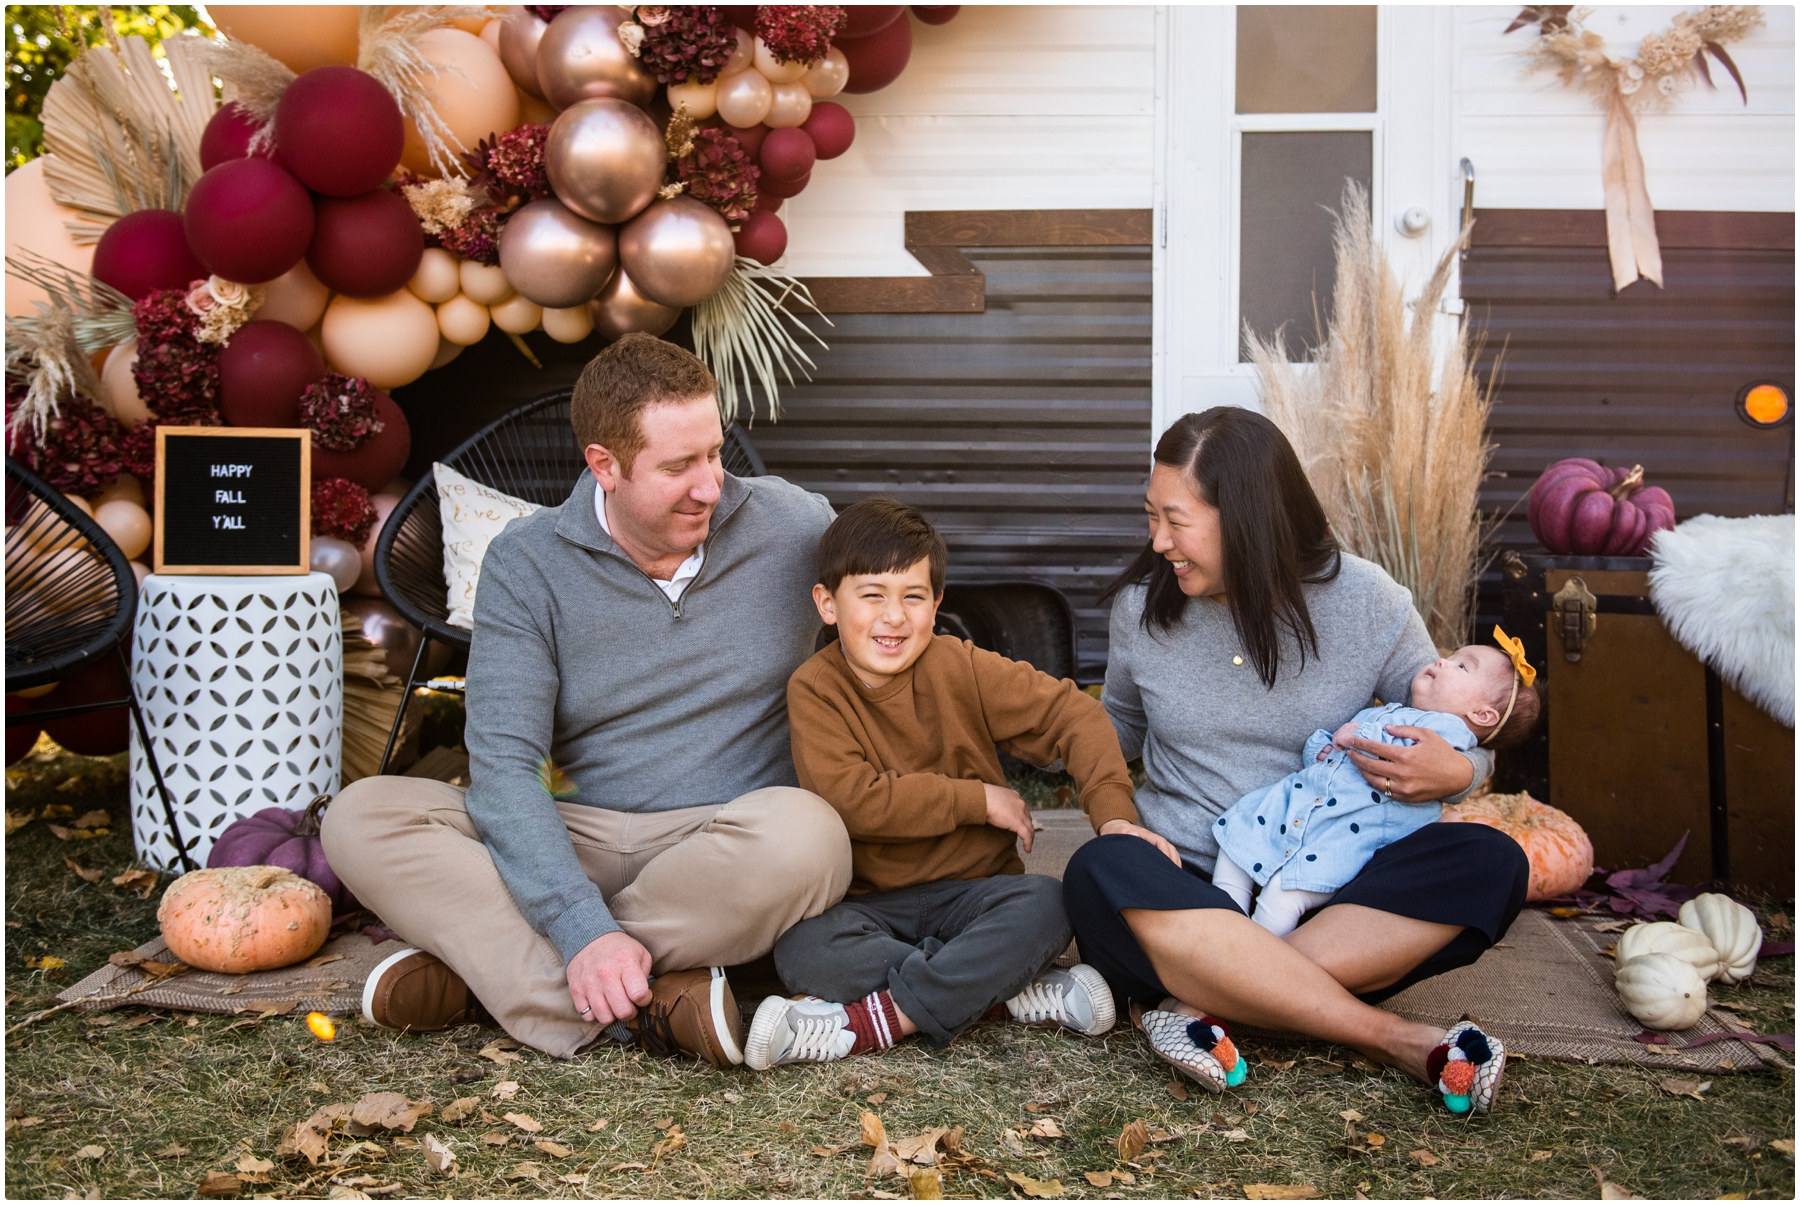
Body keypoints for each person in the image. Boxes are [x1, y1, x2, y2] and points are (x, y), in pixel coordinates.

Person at [321, 335, 852, 1065]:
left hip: (726, 837)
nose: (710, 485)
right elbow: (506, 763)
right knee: (361, 816)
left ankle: (496, 977)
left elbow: (897, 629)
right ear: (604, 465)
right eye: (677, 466)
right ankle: (646, 996)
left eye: (713, 452)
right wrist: (579, 921)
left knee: (812, 835)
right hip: (572, 831)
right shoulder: (527, 560)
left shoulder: (797, 526)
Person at [1061, 407, 1529, 1114]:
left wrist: (1465, 774)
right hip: (1188, 882)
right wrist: (1050, 741)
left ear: (1247, 516)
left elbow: (1454, 721)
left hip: (1323, 893)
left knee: (1493, 861)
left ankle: (1199, 999)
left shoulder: (1368, 601)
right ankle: (1392, 1037)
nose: (1157, 541)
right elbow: (1116, 725)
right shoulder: (1143, 609)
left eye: (1176, 520)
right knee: (1101, 867)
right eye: (1150, 515)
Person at [743, 499, 1162, 1069]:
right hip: (871, 905)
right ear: (827, 604)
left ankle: (874, 1021)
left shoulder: (960, 666)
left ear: (937, 604)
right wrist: (976, 799)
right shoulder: (815, 690)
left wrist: (1114, 818)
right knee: (802, 948)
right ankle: (999, 991)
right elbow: (855, 801)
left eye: (913, 596)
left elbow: (1076, 716)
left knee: (1047, 903)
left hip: (976, 893)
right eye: (871, 595)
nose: (894, 617)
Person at [1213, 634, 1542, 939]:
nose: (1442, 660)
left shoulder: (1448, 731)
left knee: (1285, 893)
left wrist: (1356, 735)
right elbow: (1342, 748)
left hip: (1347, 836)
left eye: (1461, 666)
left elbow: (1402, 751)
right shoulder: (1394, 712)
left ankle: (1250, 963)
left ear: (1481, 715)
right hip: (1304, 809)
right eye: (1453, 656)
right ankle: (1223, 935)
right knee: (1237, 844)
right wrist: (1325, 748)